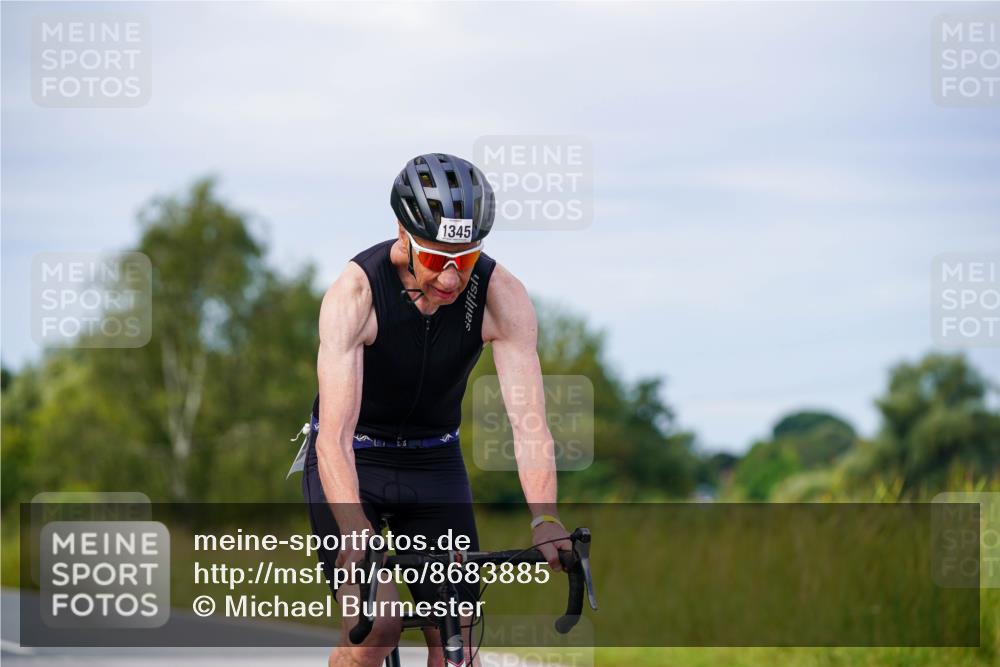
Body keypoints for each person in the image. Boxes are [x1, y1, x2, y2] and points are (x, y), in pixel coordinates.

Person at [299, 153, 570, 667]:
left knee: (458, 638)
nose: (450, 278)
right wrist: (356, 532)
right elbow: (333, 437)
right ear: (403, 235)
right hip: (357, 457)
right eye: (436, 258)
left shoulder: (501, 295)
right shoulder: (356, 293)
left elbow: (529, 422)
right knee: (376, 627)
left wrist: (545, 518)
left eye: (464, 260)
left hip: (434, 463)